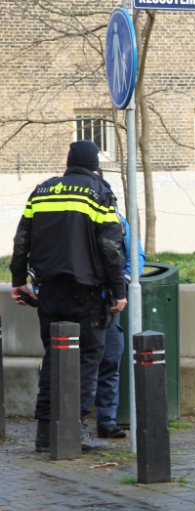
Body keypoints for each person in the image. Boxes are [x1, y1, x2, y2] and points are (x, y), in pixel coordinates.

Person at [10, 140, 127, 453]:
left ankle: (46, 435)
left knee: (53, 361)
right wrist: (119, 290)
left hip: (48, 293)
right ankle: (73, 432)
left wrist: (19, 280)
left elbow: (22, 238)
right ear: (94, 164)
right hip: (86, 295)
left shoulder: (43, 191)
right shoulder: (99, 192)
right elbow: (111, 248)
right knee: (87, 360)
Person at [94, 212, 146, 439]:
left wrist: (122, 282)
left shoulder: (115, 217)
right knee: (72, 363)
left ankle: (107, 420)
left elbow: (135, 256)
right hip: (75, 301)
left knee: (111, 358)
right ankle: (68, 421)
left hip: (106, 302)